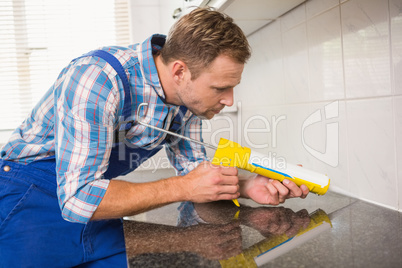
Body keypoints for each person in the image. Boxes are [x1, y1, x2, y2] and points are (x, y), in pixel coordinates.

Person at [0, 7, 309, 267]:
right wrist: (186, 186)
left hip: (99, 207)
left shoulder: (186, 103)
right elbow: (78, 198)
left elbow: (194, 173)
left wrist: (246, 186)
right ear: (180, 72)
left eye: (232, 87)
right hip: (29, 202)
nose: (229, 99)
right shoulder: (98, 78)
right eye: (219, 88)